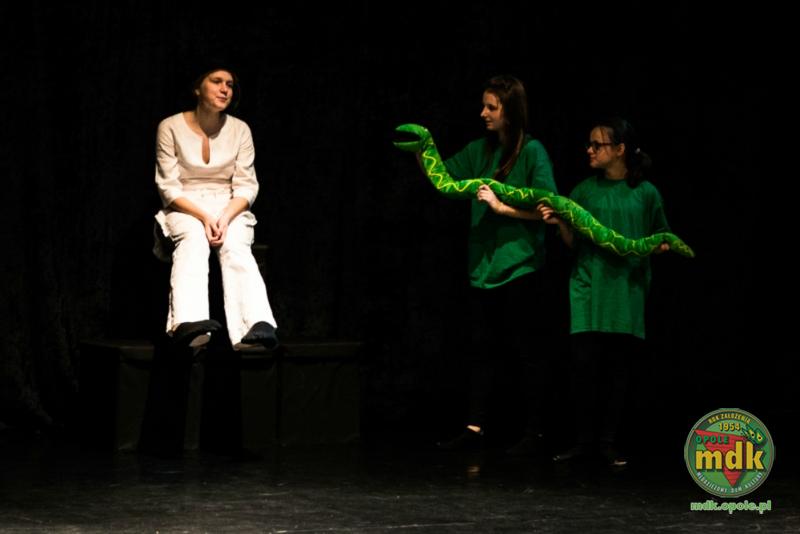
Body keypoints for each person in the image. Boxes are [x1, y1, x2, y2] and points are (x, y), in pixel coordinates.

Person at [434, 75, 557, 455]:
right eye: (483, 105)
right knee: (481, 349)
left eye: (492, 107)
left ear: (511, 111)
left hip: (520, 266)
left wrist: (503, 208)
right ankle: (475, 428)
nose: (483, 113)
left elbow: (549, 211)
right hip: (483, 269)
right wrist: (422, 148)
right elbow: (442, 177)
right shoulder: (480, 150)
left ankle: (533, 432)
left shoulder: (532, 152)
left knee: (525, 351)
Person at [538, 117, 670, 467]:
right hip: (588, 288)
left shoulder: (646, 193)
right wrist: (560, 222)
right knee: (584, 366)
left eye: (598, 145)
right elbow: (572, 244)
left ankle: (608, 443)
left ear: (620, 149)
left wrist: (658, 247)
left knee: (617, 369)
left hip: (625, 291)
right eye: (589, 144)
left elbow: (661, 237)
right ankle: (583, 442)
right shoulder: (582, 192)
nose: (590, 150)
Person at [153, 65, 278, 350]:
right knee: (194, 239)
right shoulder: (170, 127)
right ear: (197, 88)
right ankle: (188, 324)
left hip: (229, 206)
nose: (225, 89)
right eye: (217, 81)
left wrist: (225, 216)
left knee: (235, 245)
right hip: (185, 206)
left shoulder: (240, 130)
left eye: (230, 84)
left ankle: (256, 325)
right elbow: (168, 187)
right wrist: (204, 216)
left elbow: (246, 186)